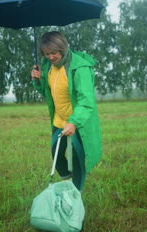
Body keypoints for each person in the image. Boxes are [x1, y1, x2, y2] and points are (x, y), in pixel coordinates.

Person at [31, 31, 101, 191]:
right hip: (59, 120)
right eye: (46, 53)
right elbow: (49, 93)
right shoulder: (49, 66)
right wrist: (38, 80)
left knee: (77, 158)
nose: (50, 57)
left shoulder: (79, 68)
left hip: (77, 121)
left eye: (53, 53)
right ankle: (67, 181)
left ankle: (76, 193)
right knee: (55, 151)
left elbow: (86, 101)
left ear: (62, 48)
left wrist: (74, 122)